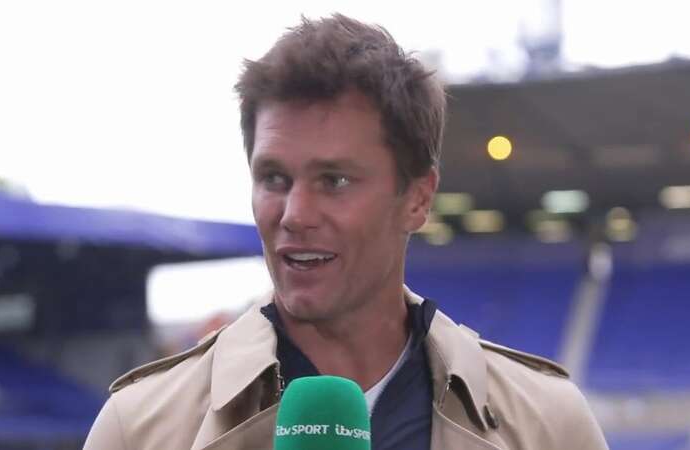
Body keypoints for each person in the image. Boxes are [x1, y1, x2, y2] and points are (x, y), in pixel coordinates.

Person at [83, 14, 608, 450]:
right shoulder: (138, 430)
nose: (294, 213)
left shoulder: (549, 426)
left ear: (418, 198)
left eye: (333, 180)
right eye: (274, 178)